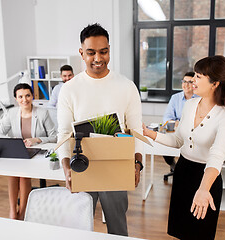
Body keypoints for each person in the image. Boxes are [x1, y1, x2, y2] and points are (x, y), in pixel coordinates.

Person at [143, 55, 225, 240]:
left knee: (200, 234)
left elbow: (217, 155)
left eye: (198, 77)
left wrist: (204, 189)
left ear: (214, 83)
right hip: (183, 172)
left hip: (206, 178)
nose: (192, 82)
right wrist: (151, 134)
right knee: (181, 231)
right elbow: (179, 141)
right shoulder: (189, 105)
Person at [57, 23, 143, 236]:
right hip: (81, 165)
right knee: (79, 227)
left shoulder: (126, 86)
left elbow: (136, 130)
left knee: (118, 227)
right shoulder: (70, 89)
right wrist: (66, 167)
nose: (98, 58)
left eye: (103, 52)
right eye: (91, 52)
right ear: (81, 53)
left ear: (109, 50)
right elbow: (63, 132)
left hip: (116, 167)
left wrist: (138, 163)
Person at [0, 83, 57, 220]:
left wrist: (37, 139)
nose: (25, 99)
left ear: (32, 96)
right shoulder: (11, 113)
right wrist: (13, 141)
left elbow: (54, 136)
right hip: (19, 152)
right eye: (20, 96)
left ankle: (22, 212)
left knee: (23, 175)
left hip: (37, 152)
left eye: (27, 95)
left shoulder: (42, 113)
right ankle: (12, 211)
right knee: (12, 173)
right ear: (15, 98)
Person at [162, 72, 198, 171]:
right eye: (184, 81)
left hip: (192, 134)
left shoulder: (200, 99)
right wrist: (176, 122)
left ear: (195, 84)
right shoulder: (175, 98)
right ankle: (173, 166)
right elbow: (167, 117)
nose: (186, 85)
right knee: (165, 146)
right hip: (176, 131)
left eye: (190, 82)